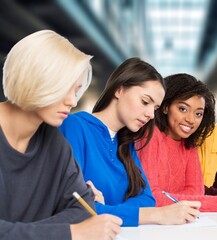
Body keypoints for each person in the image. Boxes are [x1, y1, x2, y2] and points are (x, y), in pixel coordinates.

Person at [0, 30, 122, 240]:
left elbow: (83, 208)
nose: (73, 102)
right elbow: (77, 225)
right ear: (35, 78)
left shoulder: (54, 142)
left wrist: (18, 232)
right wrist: (69, 233)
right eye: (65, 88)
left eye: (75, 91)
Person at [59, 57, 201, 227]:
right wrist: (155, 215)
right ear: (119, 90)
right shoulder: (75, 127)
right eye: (145, 102)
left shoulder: (126, 143)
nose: (151, 114)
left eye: (155, 108)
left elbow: (147, 199)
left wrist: (107, 209)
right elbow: (74, 208)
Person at [137, 73, 217, 212]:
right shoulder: (150, 136)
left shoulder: (189, 144)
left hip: (179, 223)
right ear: (165, 107)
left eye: (198, 114)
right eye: (183, 109)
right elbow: (151, 197)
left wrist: (171, 198)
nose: (191, 120)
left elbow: (196, 193)